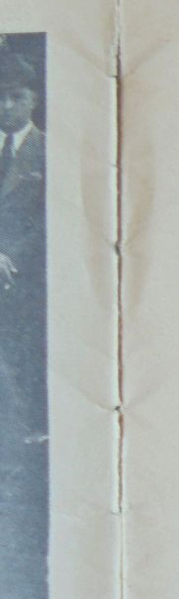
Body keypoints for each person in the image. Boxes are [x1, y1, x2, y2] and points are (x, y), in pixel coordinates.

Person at [0, 49, 46, 447]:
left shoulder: (48, 152)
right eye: (0, 96)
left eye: (15, 96)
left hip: (25, 286)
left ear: (33, 99)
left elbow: (51, 222)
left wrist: (10, 256)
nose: (6, 105)